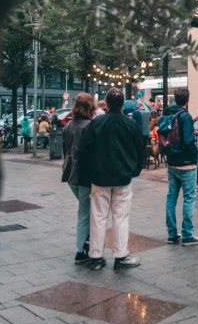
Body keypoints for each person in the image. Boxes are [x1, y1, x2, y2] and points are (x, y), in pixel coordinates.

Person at [79, 87, 145, 270]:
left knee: (98, 217)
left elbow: (84, 150)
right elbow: (141, 150)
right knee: (121, 217)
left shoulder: (96, 123)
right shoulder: (131, 125)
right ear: (122, 104)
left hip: (99, 177)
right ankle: (120, 254)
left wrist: (90, 172)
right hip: (123, 177)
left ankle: (95, 256)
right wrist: (135, 170)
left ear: (106, 104)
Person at [164, 87, 198, 246]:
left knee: (171, 198)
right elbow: (188, 141)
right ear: (188, 99)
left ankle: (172, 233)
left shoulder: (168, 113)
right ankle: (187, 234)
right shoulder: (185, 116)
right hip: (187, 164)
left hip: (172, 162)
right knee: (189, 198)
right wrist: (194, 156)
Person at [61, 93, 95, 263]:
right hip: (84, 175)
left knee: (86, 209)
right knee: (85, 212)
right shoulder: (90, 126)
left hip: (69, 173)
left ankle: (86, 242)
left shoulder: (67, 126)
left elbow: (64, 151)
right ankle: (80, 250)